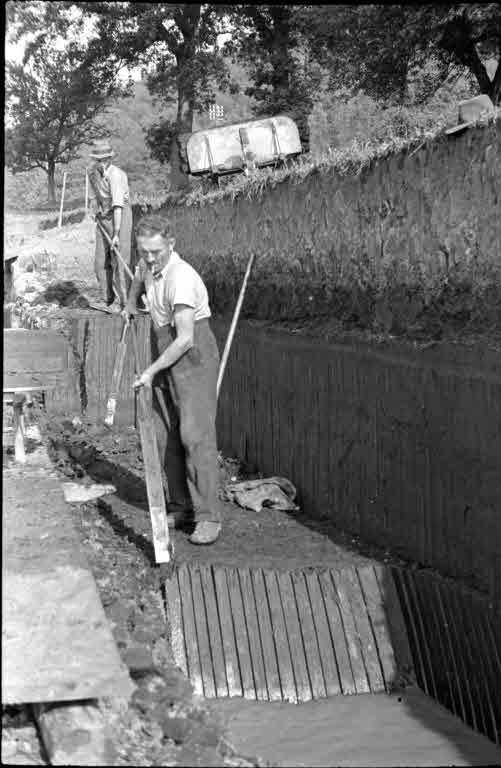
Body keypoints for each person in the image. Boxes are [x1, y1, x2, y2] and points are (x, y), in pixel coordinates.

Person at [124, 213, 223, 545]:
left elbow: (185, 339)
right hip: (164, 346)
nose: (150, 258)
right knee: (165, 433)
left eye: (156, 251)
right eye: (144, 251)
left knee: (195, 435)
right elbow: (139, 276)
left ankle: (208, 517)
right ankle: (182, 507)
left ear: (171, 244)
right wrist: (130, 303)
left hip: (192, 355)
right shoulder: (147, 264)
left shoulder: (181, 278)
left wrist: (151, 371)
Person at [88, 139, 133, 311]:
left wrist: (116, 234)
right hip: (104, 214)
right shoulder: (91, 173)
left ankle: (124, 303)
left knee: (121, 261)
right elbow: (93, 197)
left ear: (110, 159)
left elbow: (118, 207)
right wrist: (94, 209)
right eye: (98, 160)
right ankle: (106, 298)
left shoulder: (116, 175)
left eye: (105, 159)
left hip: (120, 214)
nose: (101, 163)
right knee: (100, 261)